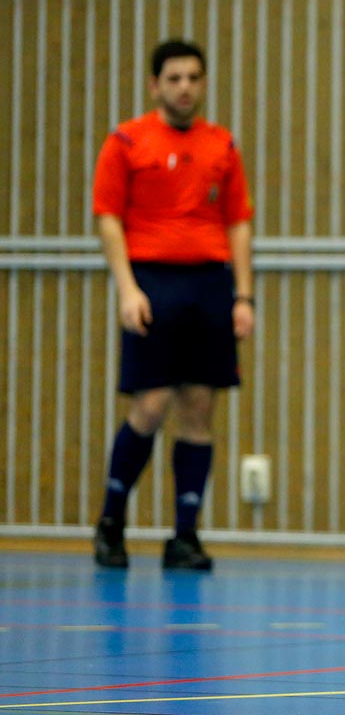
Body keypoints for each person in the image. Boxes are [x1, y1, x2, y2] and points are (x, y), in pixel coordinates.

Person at [90, 39, 255, 572]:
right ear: (155, 84)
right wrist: (128, 288)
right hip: (152, 281)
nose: (185, 86)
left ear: (203, 84)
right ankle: (112, 521)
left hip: (208, 285)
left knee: (200, 407)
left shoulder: (222, 146)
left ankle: (184, 534)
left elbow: (237, 222)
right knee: (151, 404)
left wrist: (242, 296)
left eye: (194, 77)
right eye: (174, 77)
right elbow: (108, 216)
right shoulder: (126, 142)